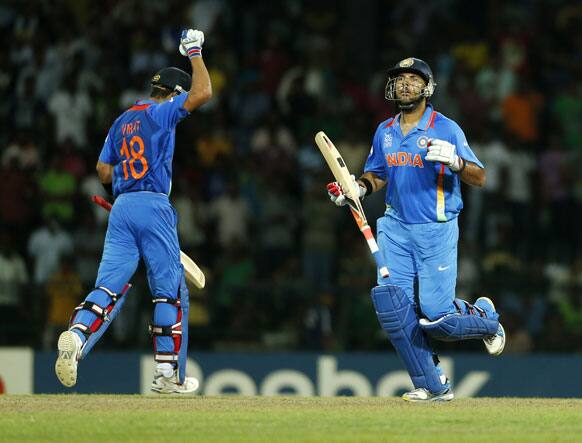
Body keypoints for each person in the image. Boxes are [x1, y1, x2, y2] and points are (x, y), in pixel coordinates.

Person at [327, 57, 505, 402]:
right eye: (400, 79)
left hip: (435, 229)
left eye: (414, 79)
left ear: (428, 87)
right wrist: (356, 189)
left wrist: (455, 162)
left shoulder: (446, 128)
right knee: (395, 309)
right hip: (395, 227)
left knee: (438, 318)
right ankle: (432, 385)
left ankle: (486, 318)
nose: (406, 84)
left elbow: (480, 177)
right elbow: (377, 174)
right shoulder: (385, 131)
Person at [54, 29, 212, 394]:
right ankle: (166, 376)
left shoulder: (122, 120)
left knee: (107, 287)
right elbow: (203, 93)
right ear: (173, 93)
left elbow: (102, 171)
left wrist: (126, 189)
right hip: (154, 205)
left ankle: (76, 337)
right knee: (167, 292)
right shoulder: (163, 113)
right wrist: (195, 52)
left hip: (122, 209)